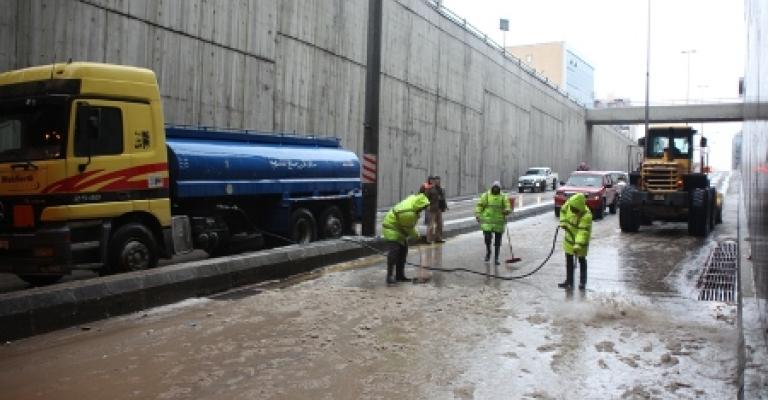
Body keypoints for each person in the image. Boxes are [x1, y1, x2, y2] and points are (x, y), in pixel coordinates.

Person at [381, 192, 430, 284]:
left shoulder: (414, 202)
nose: (423, 210)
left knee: (403, 251)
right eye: (422, 208)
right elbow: (409, 228)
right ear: (419, 206)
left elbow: (409, 226)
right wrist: (417, 237)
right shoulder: (408, 213)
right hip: (391, 227)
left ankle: (400, 276)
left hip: (399, 228)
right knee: (394, 252)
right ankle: (389, 276)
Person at [557, 192, 593, 290]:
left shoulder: (586, 216)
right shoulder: (570, 204)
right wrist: (563, 221)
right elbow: (563, 211)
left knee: (581, 260)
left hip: (580, 242)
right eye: (572, 209)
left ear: (580, 208)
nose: (573, 211)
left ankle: (582, 282)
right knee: (569, 261)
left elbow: (583, 232)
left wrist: (578, 244)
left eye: (575, 210)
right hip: (569, 239)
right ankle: (569, 281)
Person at [475, 181, 511, 265]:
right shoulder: (486, 195)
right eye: (494, 187)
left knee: (498, 241)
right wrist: (478, 214)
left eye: (497, 188)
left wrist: (507, 211)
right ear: (492, 188)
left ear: (499, 188)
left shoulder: (503, 197)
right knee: (487, 238)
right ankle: (488, 252)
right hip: (487, 221)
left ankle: (496, 258)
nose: (495, 189)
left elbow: (507, 206)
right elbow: (479, 205)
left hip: (498, 222)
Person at [426, 176, 447, 243]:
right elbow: (426, 198)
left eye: (439, 180)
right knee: (431, 225)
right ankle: (429, 239)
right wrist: (427, 206)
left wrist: (445, 206)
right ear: (434, 181)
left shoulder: (441, 189)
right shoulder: (430, 189)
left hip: (439, 208)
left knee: (440, 224)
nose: (438, 182)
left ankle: (439, 238)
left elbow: (443, 198)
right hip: (432, 208)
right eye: (436, 181)